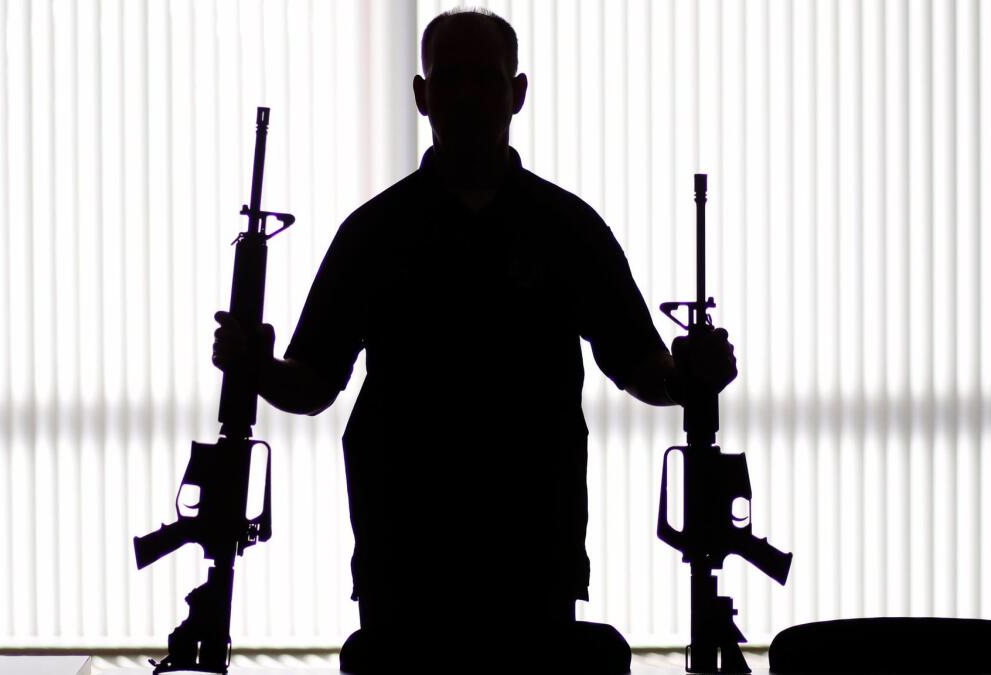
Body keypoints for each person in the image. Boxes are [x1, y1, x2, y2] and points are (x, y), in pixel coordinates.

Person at [212, 8, 736, 673]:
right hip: (405, 553)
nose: (466, 94)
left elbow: (640, 366)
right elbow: (312, 383)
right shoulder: (375, 232)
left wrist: (689, 377)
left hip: (532, 552)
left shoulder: (566, 228)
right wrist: (255, 367)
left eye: (483, 79)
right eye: (449, 77)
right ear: (421, 93)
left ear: (516, 92)